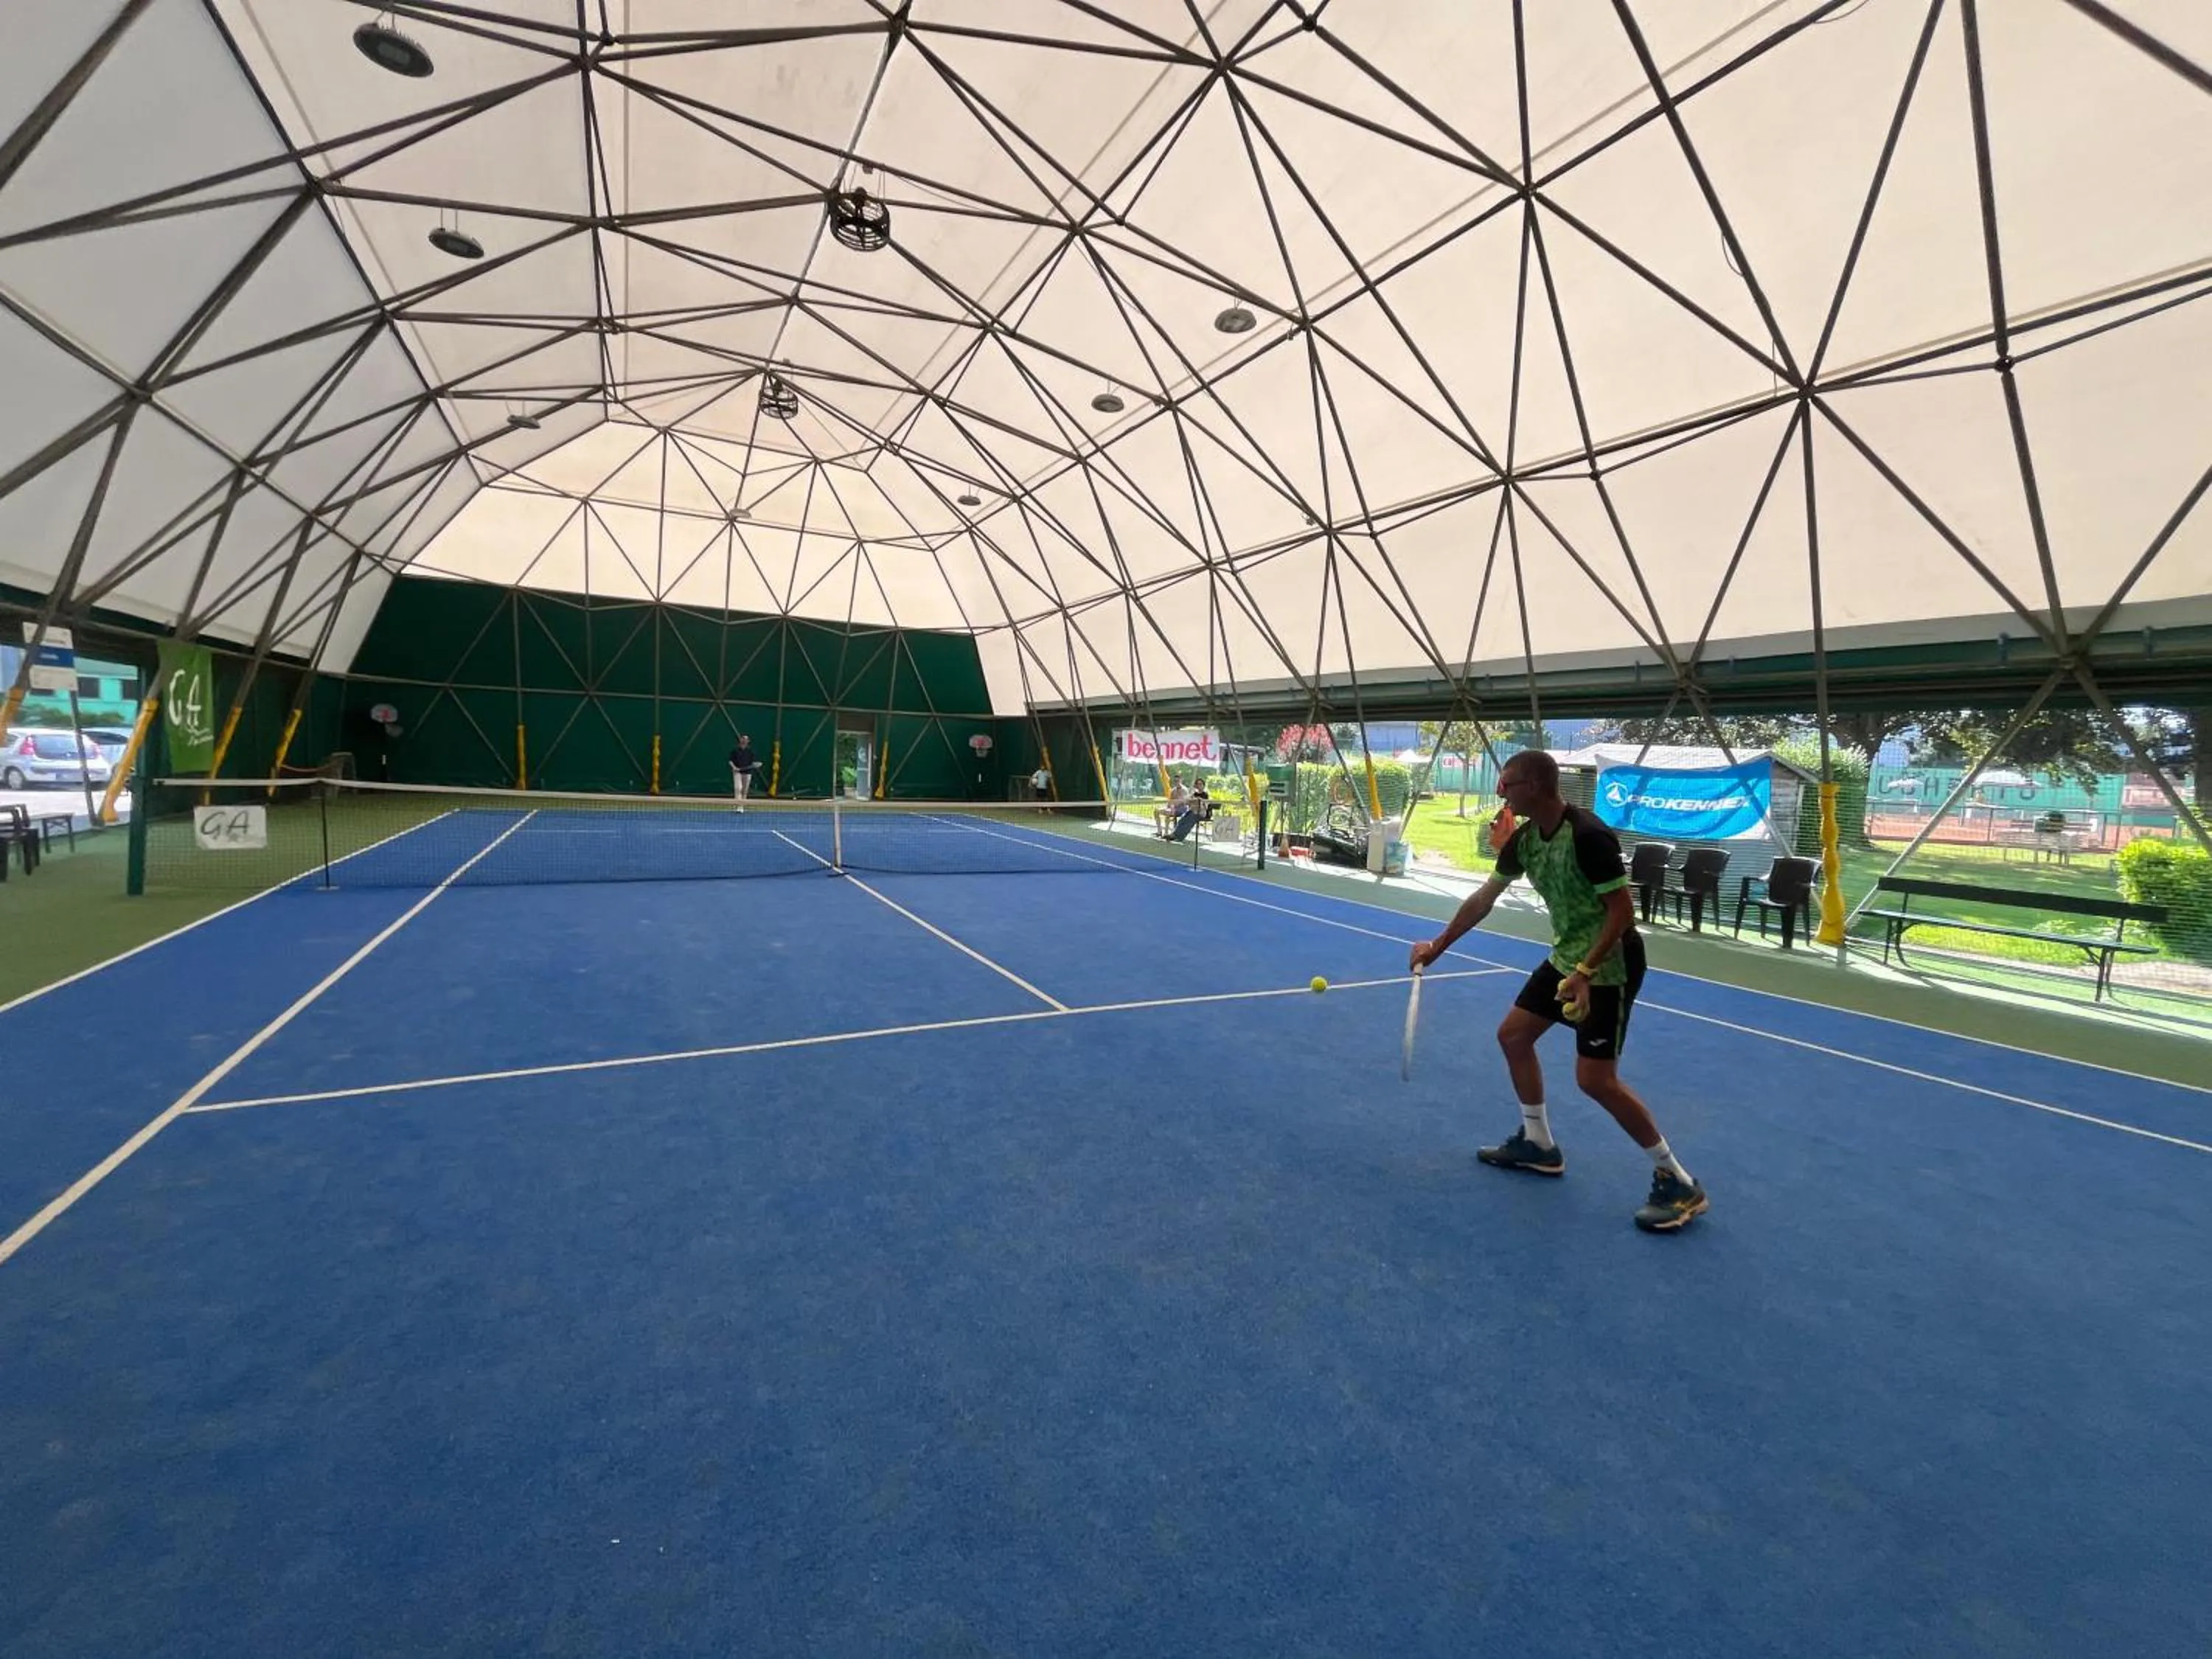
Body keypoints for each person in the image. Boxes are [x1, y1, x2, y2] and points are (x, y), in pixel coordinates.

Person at [1408, 748, 1708, 1233]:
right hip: (1567, 957)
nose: (1500, 791)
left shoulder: (1588, 837)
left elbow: (1621, 912)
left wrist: (1587, 972)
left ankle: (1679, 1182)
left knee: (1595, 1081)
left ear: (1536, 786)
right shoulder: (1524, 840)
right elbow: (1485, 898)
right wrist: (1439, 945)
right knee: (1513, 1036)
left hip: (1608, 966)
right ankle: (1539, 1144)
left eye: (1508, 783)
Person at [728, 734, 758, 811]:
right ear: (740, 740)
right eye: (743, 738)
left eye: (746, 739)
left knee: (745, 790)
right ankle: (737, 805)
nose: (744, 740)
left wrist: (754, 765)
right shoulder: (735, 750)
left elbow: (753, 763)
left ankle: (742, 806)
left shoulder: (751, 751)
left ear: (748, 741)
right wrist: (734, 767)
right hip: (737, 773)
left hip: (747, 773)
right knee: (738, 788)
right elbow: (730, 761)